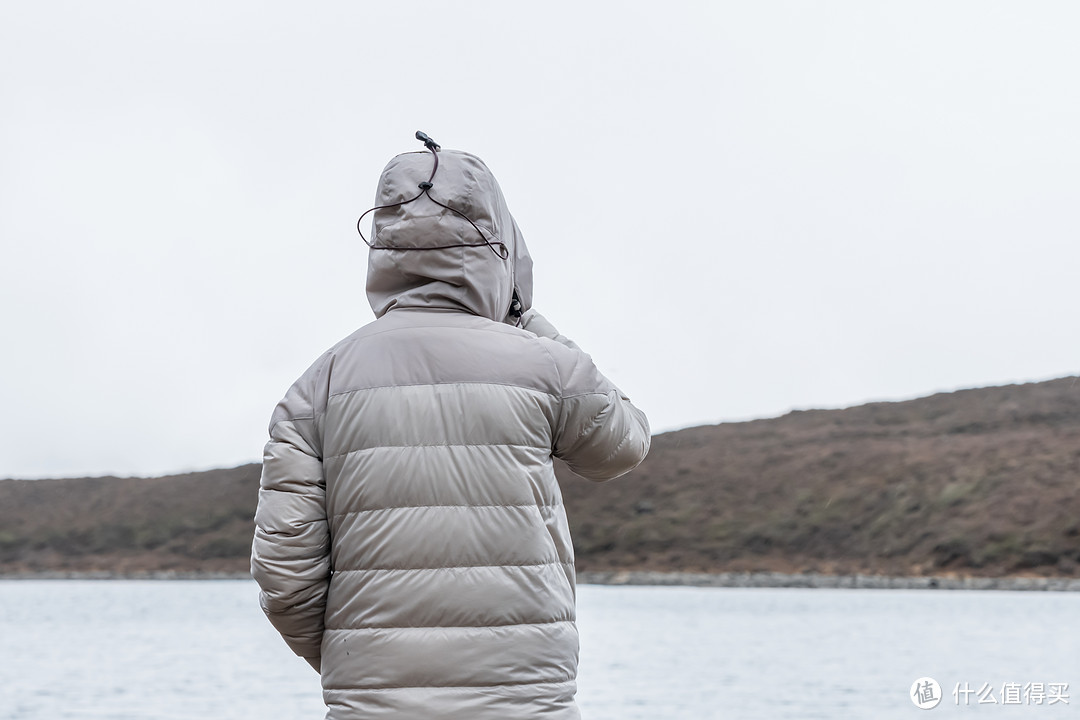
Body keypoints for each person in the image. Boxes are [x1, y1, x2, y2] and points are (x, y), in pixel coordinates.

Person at [251, 133, 651, 720]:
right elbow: (622, 446)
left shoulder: (316, 388)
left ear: (385, 246)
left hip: (371, 702)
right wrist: (524, 314)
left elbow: (285, 577)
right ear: (502, 245)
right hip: (525, 701)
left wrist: (362, 666)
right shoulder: (546, 365)